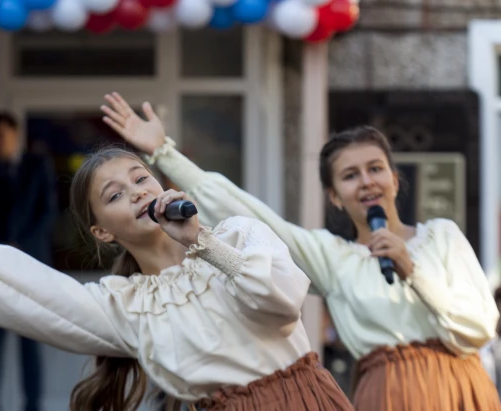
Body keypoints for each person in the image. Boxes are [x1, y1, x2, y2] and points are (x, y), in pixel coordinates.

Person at [100, 92, 501, 410]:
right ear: (335, 196)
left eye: (376, 168)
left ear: (395, 179)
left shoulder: (441, 236)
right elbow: (250, 213)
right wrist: (164, 153)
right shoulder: (330, 256)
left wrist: (412, 269)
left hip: (460, 385)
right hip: (386, 393)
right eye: (350, 175)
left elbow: (480, 326)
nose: (366, 182)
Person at [0, 141, 354, 411]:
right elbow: (30, 293)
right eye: (114, 195)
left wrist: (200, 242)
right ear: (101, 231)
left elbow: (281, 300)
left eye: (141, 179)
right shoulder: (124, 305)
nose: (135, 193)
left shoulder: (236, 234)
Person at [0, 112, 57, 411]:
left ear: (15, 134)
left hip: (29, 270)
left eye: (2, 134)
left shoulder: (38, 166)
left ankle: (33, 406)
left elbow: (48, 212)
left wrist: (19, 247)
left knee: (30, 348)